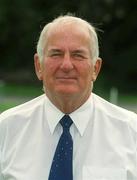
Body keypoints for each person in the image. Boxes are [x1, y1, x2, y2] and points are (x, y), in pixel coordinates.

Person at [0, 14, 137, 180]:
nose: (66, 65)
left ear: (95, 68)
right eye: (56, 54)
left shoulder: (131, 132)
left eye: (78, 55)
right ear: (39, 66)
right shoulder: (6, 129)